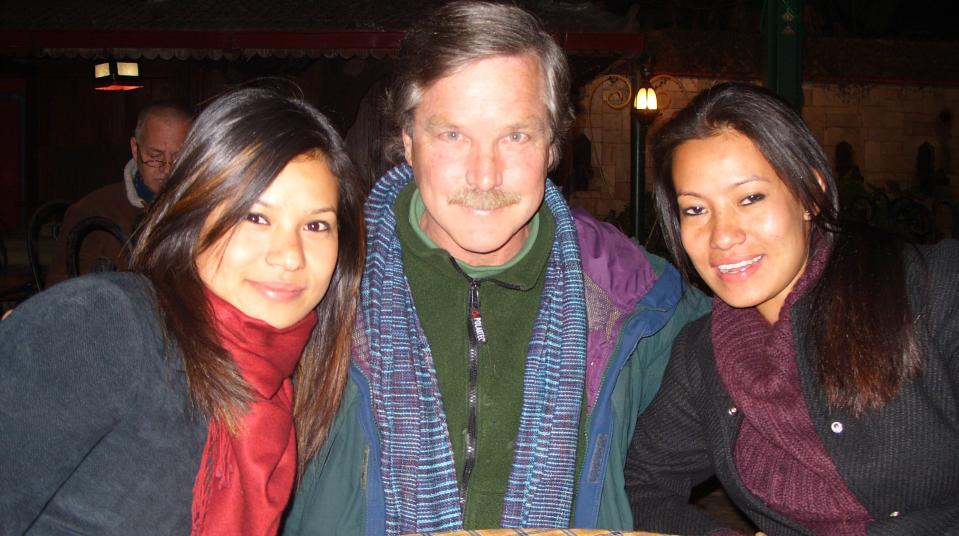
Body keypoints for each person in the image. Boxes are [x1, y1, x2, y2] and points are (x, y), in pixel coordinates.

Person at [283, 2, 708, 535]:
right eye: (452, 135)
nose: (485, 175)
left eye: (516, 136)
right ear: (408, 141)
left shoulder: (639, 299)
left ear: (553, 145)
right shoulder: (314, 280)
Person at [0, 87, 364, 534]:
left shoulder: (286, 380)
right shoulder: (105, 325)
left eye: (315, 225)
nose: (289, 255)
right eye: (254, 216)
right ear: (196, 212)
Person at [625, 83, 959, 535]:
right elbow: (642, 482)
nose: (722, 236)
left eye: (750, 198)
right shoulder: (704, 355)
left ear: (810, 195)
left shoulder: (929, 290)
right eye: (696, 209)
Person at [45, 103, 192, 285]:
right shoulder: (93, 211)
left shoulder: (203, 207)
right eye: (155, 156)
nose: (167, 168)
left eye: (178, 158)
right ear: (135, 149)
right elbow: (62, 291)